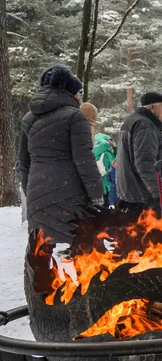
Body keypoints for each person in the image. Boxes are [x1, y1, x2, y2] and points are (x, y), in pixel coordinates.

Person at [17, 64, 103, 245]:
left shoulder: (28, 119)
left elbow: (23, 163)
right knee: (81, 254)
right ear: (70, 91)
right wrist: (96, 194)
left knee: (40, 256)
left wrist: (30, 191)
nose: (80, 96)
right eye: (78, 92)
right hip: (71, 196)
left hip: (37, 197)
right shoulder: (74, 117)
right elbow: (84, 159)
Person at [115, 91, 162, 219]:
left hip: (134, 194)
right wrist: (157, 194)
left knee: (134, 236)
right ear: (152, 107)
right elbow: (145, 164)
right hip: (144, 197)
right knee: (151, 237)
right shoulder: (145, 126)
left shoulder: (134, 121)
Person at [93, 131, 117, 200]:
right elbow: (104, 144)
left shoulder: (109, 153)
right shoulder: (96, 150)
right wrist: (103, 138)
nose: (110, 142)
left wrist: (115, 148)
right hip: (102, 187)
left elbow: (117, 161)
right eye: (109, 140)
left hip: (111, 187)